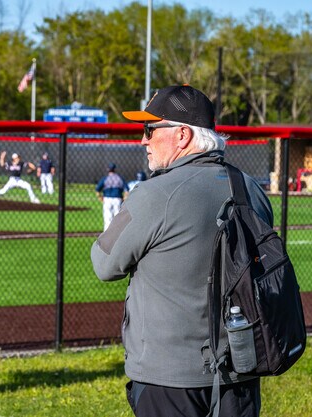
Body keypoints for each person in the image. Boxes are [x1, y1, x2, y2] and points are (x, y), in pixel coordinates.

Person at [90, 85, 273, 417]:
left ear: (182, 135)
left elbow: (104, 265)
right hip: (242, 369)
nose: (143, 140)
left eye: (150, 129)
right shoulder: (251, 188)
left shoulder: (154, 194)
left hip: (169, 380)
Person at [95, 163, 127, 231]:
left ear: (108, 169)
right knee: (117, 218)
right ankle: (117, 234)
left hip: (107, 199)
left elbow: (97, 190)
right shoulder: (119, 178)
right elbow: (127, 190)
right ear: (115, 169)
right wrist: (124, 198)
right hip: (118, 199)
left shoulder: (105, 178)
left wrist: (100, 198)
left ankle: (106, 236)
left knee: (107, 219)